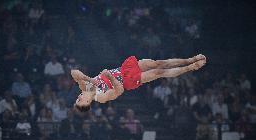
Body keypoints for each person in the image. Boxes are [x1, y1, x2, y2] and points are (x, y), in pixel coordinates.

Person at [72, 54, 206, 111]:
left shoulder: (87, 87)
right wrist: (109, 76)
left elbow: (74, 73)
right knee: (158, 72)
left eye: (77, 99)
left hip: (124, 69)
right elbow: (119, 91)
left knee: (157, 63)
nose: (78, 97)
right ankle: (190, 67)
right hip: (127, 81)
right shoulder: (100, 97)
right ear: (87, 103)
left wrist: (91, 80)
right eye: (79, 101)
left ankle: (190, 59)